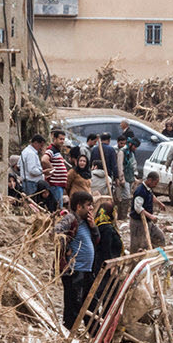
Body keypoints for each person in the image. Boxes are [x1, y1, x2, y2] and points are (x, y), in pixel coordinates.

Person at [55, 190, 98, 330]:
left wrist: (93, 227)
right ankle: (69, 333)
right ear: (79, 207)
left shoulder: (86, 221)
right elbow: (55, 233)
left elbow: (97, 240)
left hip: (86, 270)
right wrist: (65, 247)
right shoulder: (70, 219)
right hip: (74, 270)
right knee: (73, 304)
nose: (91, 208)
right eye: (88, 205)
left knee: (90, 303)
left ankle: (93, 333)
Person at [90, 200, 124, 318]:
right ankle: (105, 320)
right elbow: (106, 248)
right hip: (107, 267)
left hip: (100, 264)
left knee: (104, 293)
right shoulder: (107, 229)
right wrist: (113, 266)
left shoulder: (99, 226)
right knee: (108, 294)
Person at [130, 171, 167, 252]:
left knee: (159, 237)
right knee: (140, 246)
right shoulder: (140, 191)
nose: (156, 185)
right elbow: (138, 208)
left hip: (148, 221)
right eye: (155, 183)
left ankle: (156, 255)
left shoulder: (148, 189)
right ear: (150, 180)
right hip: (138, 222)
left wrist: (159, 203)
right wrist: (151, 216)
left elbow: (151, 195)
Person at [19, 134, 57, 212]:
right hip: (31, 183)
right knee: (32, 204)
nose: (41, 148)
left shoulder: (26, 151)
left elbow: (19, 165)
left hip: (29, 181)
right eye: (41, 145)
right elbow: (32, 170)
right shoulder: (31, 153)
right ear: (36, 143)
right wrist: (43, 171)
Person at [118, 137, 140, 219]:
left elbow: (133, 164)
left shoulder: (131, 153)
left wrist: (135, 175)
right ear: (131, 144)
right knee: (126, 196)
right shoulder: (122, 152)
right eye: (135, 146)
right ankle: (122, 216)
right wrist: (121, 178)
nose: (135, 148)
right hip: (124, 177)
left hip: (130, 177)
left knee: (128, 196)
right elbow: (120, 166)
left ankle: (124, 215)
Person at [46, 130, 68, 206]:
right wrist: (52, 169)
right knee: (58, 207)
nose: (62, 141)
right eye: (60, 139)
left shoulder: (56, 151)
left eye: (63, 139)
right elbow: (44, 159)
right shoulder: (51, 150)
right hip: (55, 185)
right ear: (54, 139)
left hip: (59, 185)